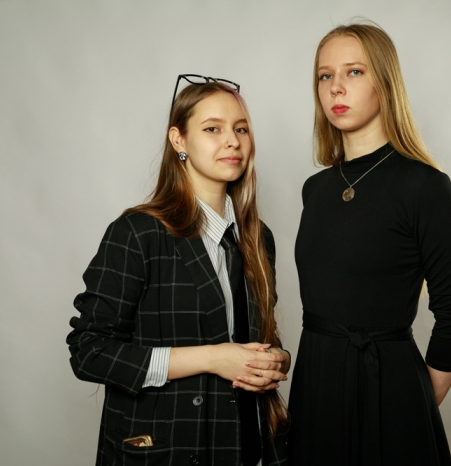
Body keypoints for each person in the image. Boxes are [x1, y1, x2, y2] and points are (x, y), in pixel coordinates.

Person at [67, 75, 290, 466]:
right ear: (179, 140)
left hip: (248, 447)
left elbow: (249, 338)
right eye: (212, 129)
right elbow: (89, 352)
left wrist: (276, 360)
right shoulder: (138, 233)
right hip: (166, 450)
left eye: (241, 129)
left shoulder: (258, 238)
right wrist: (211, 358)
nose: (232, 141)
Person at [287, 23, 451, 466]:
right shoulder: (315, 189)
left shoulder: (426, 188)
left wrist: (410, 405)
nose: (336, 87)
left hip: (390, 391)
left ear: (385, 83)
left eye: (354, 72)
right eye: (325, 75)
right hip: (315, 388)